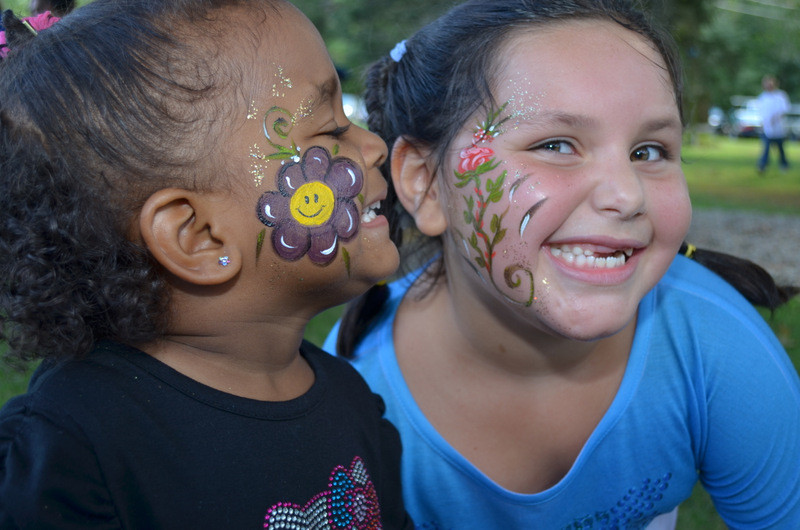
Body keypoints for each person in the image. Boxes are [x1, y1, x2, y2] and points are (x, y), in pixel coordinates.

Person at [324, 0, 800, 528]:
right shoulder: (350, 402)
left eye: (648, 151)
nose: (626, 194)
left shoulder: (714, 343)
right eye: (556, 145)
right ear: (426, 183)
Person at [0, 0, 413, 527]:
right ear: (198, 235)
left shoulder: (352, 403)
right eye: (331, 130)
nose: (374, 146)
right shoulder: (76, 454)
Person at [757, 75, 791, 173]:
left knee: (780, 148)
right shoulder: (762, 97)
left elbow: (784, 110)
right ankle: (762, 166)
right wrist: (762, 124)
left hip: (779, 127)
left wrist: (775, 118)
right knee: (766, 147)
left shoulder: (781, 95)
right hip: (767, 127)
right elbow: (761, 113)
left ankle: (784, 165)